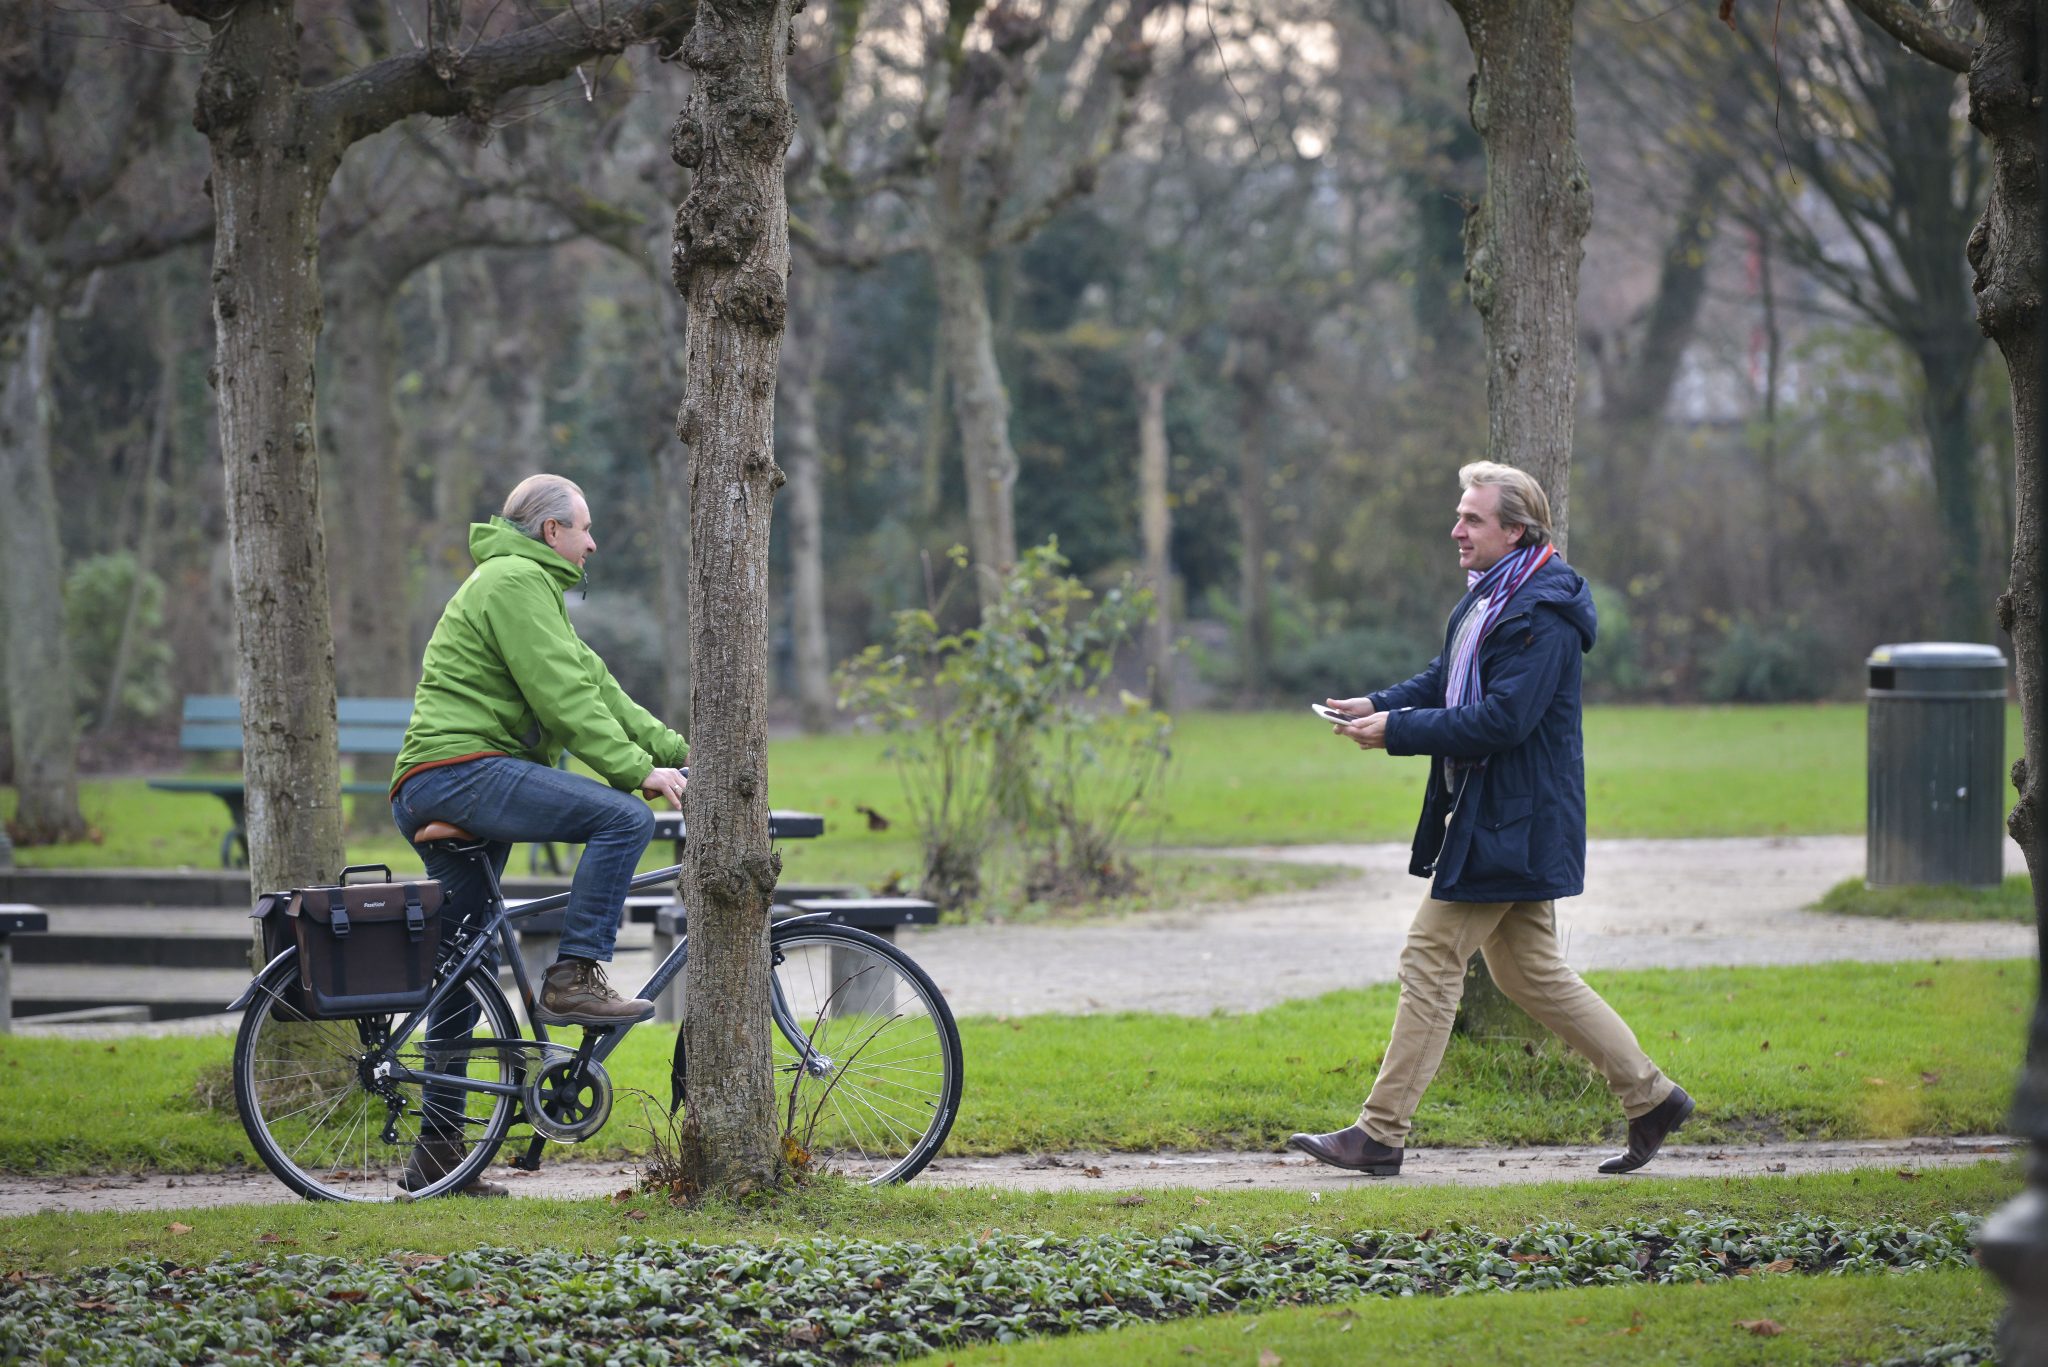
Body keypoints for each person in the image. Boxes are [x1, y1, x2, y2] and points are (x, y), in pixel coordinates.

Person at [1288, 461, 1692, 1179]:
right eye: (1459, 514)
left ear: (1516, 529)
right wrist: (1374, 703)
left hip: (1517, 819)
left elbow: (1504, 718)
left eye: (1472, 518)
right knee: (1529, 972)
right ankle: (1652, 1097)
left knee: (1429, 954)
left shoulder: (1544, 615)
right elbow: (1448, 677)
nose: (1457, 529)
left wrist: (1400, 729)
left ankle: (1379, 1133)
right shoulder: (1489, 600)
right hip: (1498, 813)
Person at [388, 473, 689, 1194]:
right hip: (458, 770)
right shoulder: (515, 582)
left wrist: (677, 751)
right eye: (584, 528)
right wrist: (634, 775)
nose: (593, 542)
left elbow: (598, 687)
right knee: (623, 817)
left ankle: (439, 1157)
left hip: (446, 775)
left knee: (462, 967)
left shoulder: (530, 589)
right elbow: (561, 697)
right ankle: (574, 976)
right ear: (551, 531)